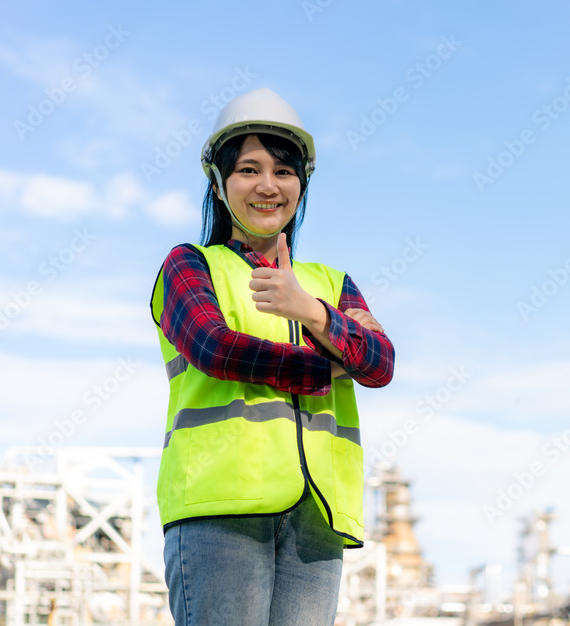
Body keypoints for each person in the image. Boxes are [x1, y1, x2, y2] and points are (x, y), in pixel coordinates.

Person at [148, 87, 395, 625]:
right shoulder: (190, 266)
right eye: (248, 170)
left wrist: (313, 311)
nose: (268, 186)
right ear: (218, 182)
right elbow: (218, 348)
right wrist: (332, 360)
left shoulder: (328, 284)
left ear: (301, 184)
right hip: (222, 509)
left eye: (283, 171)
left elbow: (379, 364)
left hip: (317, 516)